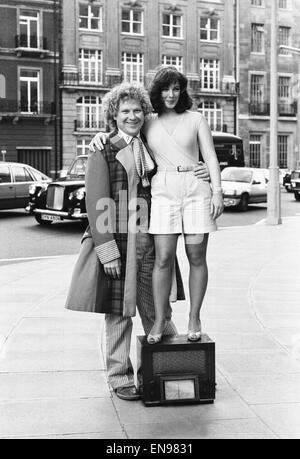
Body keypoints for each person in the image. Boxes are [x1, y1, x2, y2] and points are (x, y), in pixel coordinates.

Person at [67, 82, 206, 401]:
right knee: (118, 312)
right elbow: (97, 200)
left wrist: (204, 172)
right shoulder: (104, 147)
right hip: (118, 241)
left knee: (158, 308)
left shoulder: (151, 142)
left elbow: (182, 163)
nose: (132, 116)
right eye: (125, 111)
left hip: (152, 239)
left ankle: (170, 365)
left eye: (137, 110)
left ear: (146, 113)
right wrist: (107, 251)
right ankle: (118, 375)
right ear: (113, 114)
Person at [90, 67, 224, 346]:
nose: (171, 94)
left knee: (196, 256)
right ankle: (160, 322)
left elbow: (210, 157)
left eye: (176, 88)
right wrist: (101, 136)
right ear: (156, 92)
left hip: (195, 193)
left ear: (183, 90)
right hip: (163, 196)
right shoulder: (148, 121)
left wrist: (216, 190)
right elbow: (123, 132)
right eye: (165, 89)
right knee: (163, 259)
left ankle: (194, 318)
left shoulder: (196, 119)